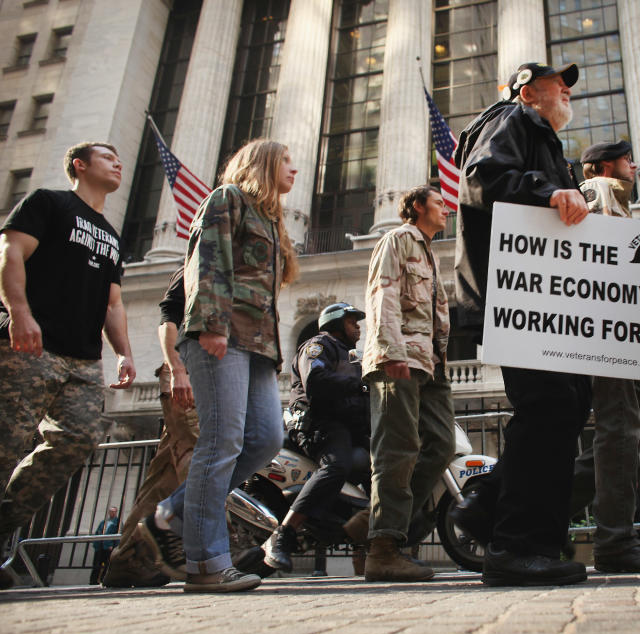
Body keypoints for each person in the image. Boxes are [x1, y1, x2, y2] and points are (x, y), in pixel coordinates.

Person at [451, 62, 593, 586]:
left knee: (569, 404)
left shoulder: (550, 145)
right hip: (517, 295)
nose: (568, 92)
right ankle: (516, 547)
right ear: (530, 92)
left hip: (550, 303)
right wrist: (547, 191)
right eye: (561, 85)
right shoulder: (511, 118)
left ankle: (487, 507)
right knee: (550, 404)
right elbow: (482, 178)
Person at [139, 139, 300, 592]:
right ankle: (206, 564)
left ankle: (173, 512)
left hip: (260, 346)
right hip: (220, 336)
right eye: (287, 162)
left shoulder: (271, 220)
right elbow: (206, 263)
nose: (294, 171)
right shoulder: (227, 199)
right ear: (264, 164)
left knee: (266, 439)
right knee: (221, 440)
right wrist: (210, 325)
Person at [0, 142, 136, 588]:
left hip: (83, 360)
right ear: (80, 165)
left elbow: (113, 303)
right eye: (107, 158)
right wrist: (19, 313)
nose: (118, 164)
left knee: (78, 441)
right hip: (30, 347)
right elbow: (10, 254)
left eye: (119, 160)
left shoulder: (112, 235)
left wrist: (124, 352)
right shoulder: (48, 203)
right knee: (6, 443)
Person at [572, 140, 640, 573]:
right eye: (626, 159)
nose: (635, 164)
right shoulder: (597, 195)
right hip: (604, 329)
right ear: (602, 166)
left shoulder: (616, 200)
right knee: (620, 426)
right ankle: (616, 542)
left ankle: (529, 506)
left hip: (621, 331)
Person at [361, 185, 455, 582]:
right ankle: (384, 548)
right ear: (418, 207)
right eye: (438, 203)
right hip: (398, 358)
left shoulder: (430, 254)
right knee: (398, 449)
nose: (446, 209)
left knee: (441, 444)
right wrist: (391, 349)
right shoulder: (398, 239)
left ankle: (375, 523)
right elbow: (383, 293)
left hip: (431, 364)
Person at [101, 266, 200, 588]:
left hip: (206, 373)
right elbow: (169, 313)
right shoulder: (194, 263)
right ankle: (207, 555)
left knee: (163, 478)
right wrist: (177, 369)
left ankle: (126, 560)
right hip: (187, 371)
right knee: (200, 456)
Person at [261, 302, 371, 572]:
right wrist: (360, 384)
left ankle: (374, 550)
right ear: (335, 323)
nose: (357, 327)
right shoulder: (319, 345)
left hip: (350, 427)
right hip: (320, 424)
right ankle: (285, 532)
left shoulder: (352, 355)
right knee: (336, 466)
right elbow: (316, 382)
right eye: (351, 321)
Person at [89, 506, 119, 584]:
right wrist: (96, 543)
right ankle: (93, 580)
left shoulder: (117, 522)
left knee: (107, 564)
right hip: (100, 545)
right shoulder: (103, 522)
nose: (112, 513)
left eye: (113, 511)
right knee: (97, 563)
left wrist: (114, 546)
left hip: (109, 547)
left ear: (116, 512)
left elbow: (118, 535)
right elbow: (97, 532)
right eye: (110, 511)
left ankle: (104, 579)